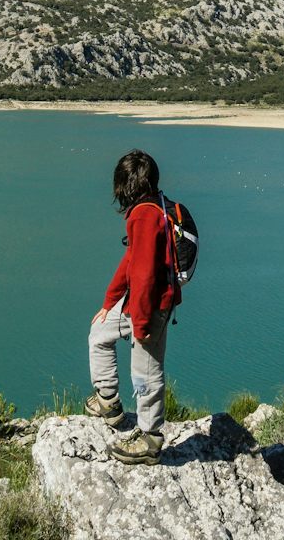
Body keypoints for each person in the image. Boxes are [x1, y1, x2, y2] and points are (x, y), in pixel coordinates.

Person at [85, 148, 179, 465]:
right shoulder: (156, 205)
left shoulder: (143, 215)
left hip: (152, 305)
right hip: (140, 302)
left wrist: (141, 326)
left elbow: (144, 275)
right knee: (100, 331)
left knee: (146, 373)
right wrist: (110, 302)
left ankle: (150, 439)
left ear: (124, 186)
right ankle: (109, 403)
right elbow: (131, 262)